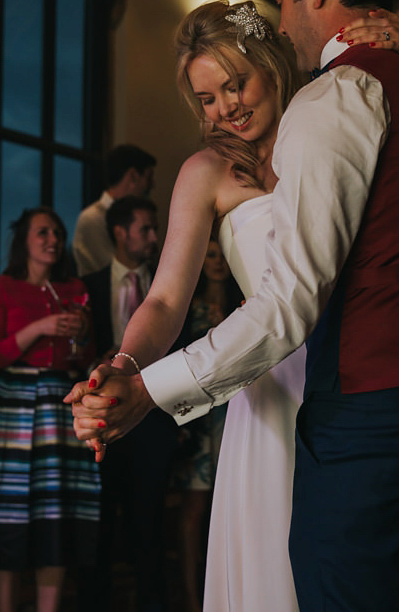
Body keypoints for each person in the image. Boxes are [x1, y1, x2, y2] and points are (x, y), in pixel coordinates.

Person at [71, 0, 399, 611]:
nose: (225, 109)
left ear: (269, 56)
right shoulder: (206, 173)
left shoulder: (339, 107)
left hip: (356, 385)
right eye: (205, 100)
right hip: (272, 386)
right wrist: (125, 365)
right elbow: (166, 299)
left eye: (234, 82)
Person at [0, 207, 97, 612]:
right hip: (10, 406)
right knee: (8, 513)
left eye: (57, 232)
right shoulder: (0, 287)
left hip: (58, 404)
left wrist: (82, 335)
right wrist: (39, 328)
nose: (52, 239)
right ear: (24, 241)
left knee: (56, 514)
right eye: (42, 232)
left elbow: (84, 357)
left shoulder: (74, 288)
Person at [79, 196, 176, 612]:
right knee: (97, 527)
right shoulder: (87, 286)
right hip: (101, 421)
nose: (155, 237)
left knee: (150, 526)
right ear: (120, 232)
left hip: (155, 419)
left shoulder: (170, 285)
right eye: (146, 229)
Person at [170, 237, 242, 612]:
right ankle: (192, 598)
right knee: (194, 510)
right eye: (209, 256)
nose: (216, 263)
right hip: (198, 420)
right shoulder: (186, 308)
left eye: (221, 256)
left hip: (238, 415)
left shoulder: (244, 305)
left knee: (234, 507)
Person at [72, 145, 156, 276]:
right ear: (133, 176)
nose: (152, 185)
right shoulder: (92, 219)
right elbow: (117, 272)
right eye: (149, 177)